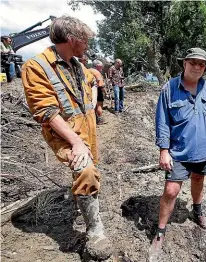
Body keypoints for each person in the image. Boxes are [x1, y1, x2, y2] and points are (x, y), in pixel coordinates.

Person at [21, 16, 111, 260]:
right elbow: (47, 112)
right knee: (86, 171)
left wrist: (95, 97)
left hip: (87, 126)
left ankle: (81, 194)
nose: (88, 46)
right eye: (86, 41)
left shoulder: (77, 65)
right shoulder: (36, 67)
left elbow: (92, 80)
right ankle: (95, 229)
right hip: (65, 132)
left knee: (90, 167)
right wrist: (76, 142)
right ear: (73, 40)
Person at [151, 47, 206, 255]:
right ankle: (160, 232)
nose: (198, 67)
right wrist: (164, 150)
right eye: (193, 63)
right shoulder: (170, 88)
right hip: (178, 151)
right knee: (171, 191)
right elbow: (162, 122)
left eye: (202, 64)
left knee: (199, 180)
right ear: (184, 64)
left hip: (202, 150)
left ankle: (197, 212)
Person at [89, 59, 107, 125]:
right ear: (97, 66)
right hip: (97, 90)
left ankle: (94, 119)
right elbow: (101, 85)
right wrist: (105, 93)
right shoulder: (97, 72)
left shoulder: (87, 70)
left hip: (88, 91)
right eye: (101, 67)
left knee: (92, 105)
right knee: (99, 104)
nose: (102, 69)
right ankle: (99, 119)